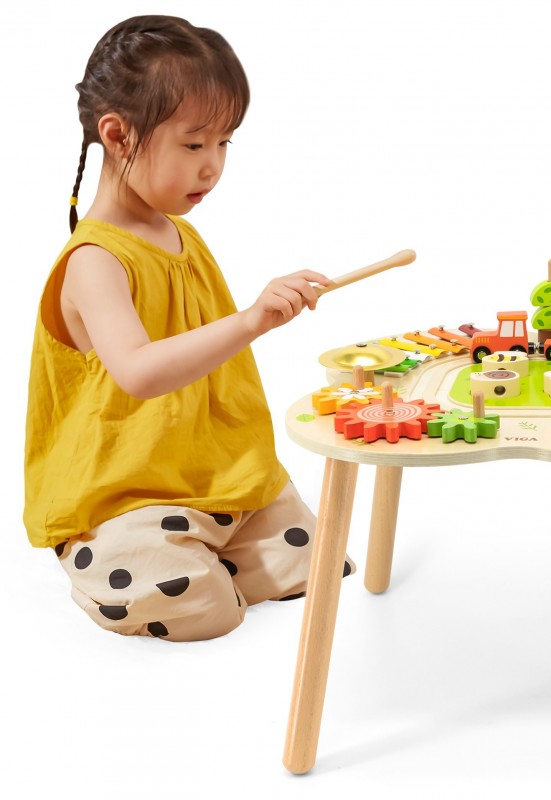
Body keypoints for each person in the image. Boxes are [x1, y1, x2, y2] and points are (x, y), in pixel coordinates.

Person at [23, 15, 353, 642]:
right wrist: (252, 320)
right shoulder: (95, 259)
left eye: (225, 143)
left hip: (214, 478)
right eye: (195, 145)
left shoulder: (182, 234)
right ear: (118, 135)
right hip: (127, 495)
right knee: (206, 609)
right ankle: (105, 553)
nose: (214, 166)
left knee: (321, 564)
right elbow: (139, 372)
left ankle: (211, 552)